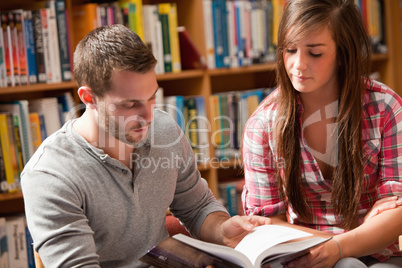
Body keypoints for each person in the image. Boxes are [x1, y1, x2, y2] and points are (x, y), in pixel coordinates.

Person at [21, 24, 270, 267]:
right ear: (89, 98)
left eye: (152, 98)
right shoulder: (49, 175)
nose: (148, 116)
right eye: (130, 104)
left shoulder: (163, 130)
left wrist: (221, 229)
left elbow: (197, 206)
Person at [242, 0, 402, 267]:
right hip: (305, 257)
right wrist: (340, 245)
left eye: (314, 53)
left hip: (379, 256)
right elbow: (269, 226)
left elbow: (396, 213)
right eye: (290, 50)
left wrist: (339, 248)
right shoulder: (262, 125)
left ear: (343, 54)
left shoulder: (385, 108)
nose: (298, 65)